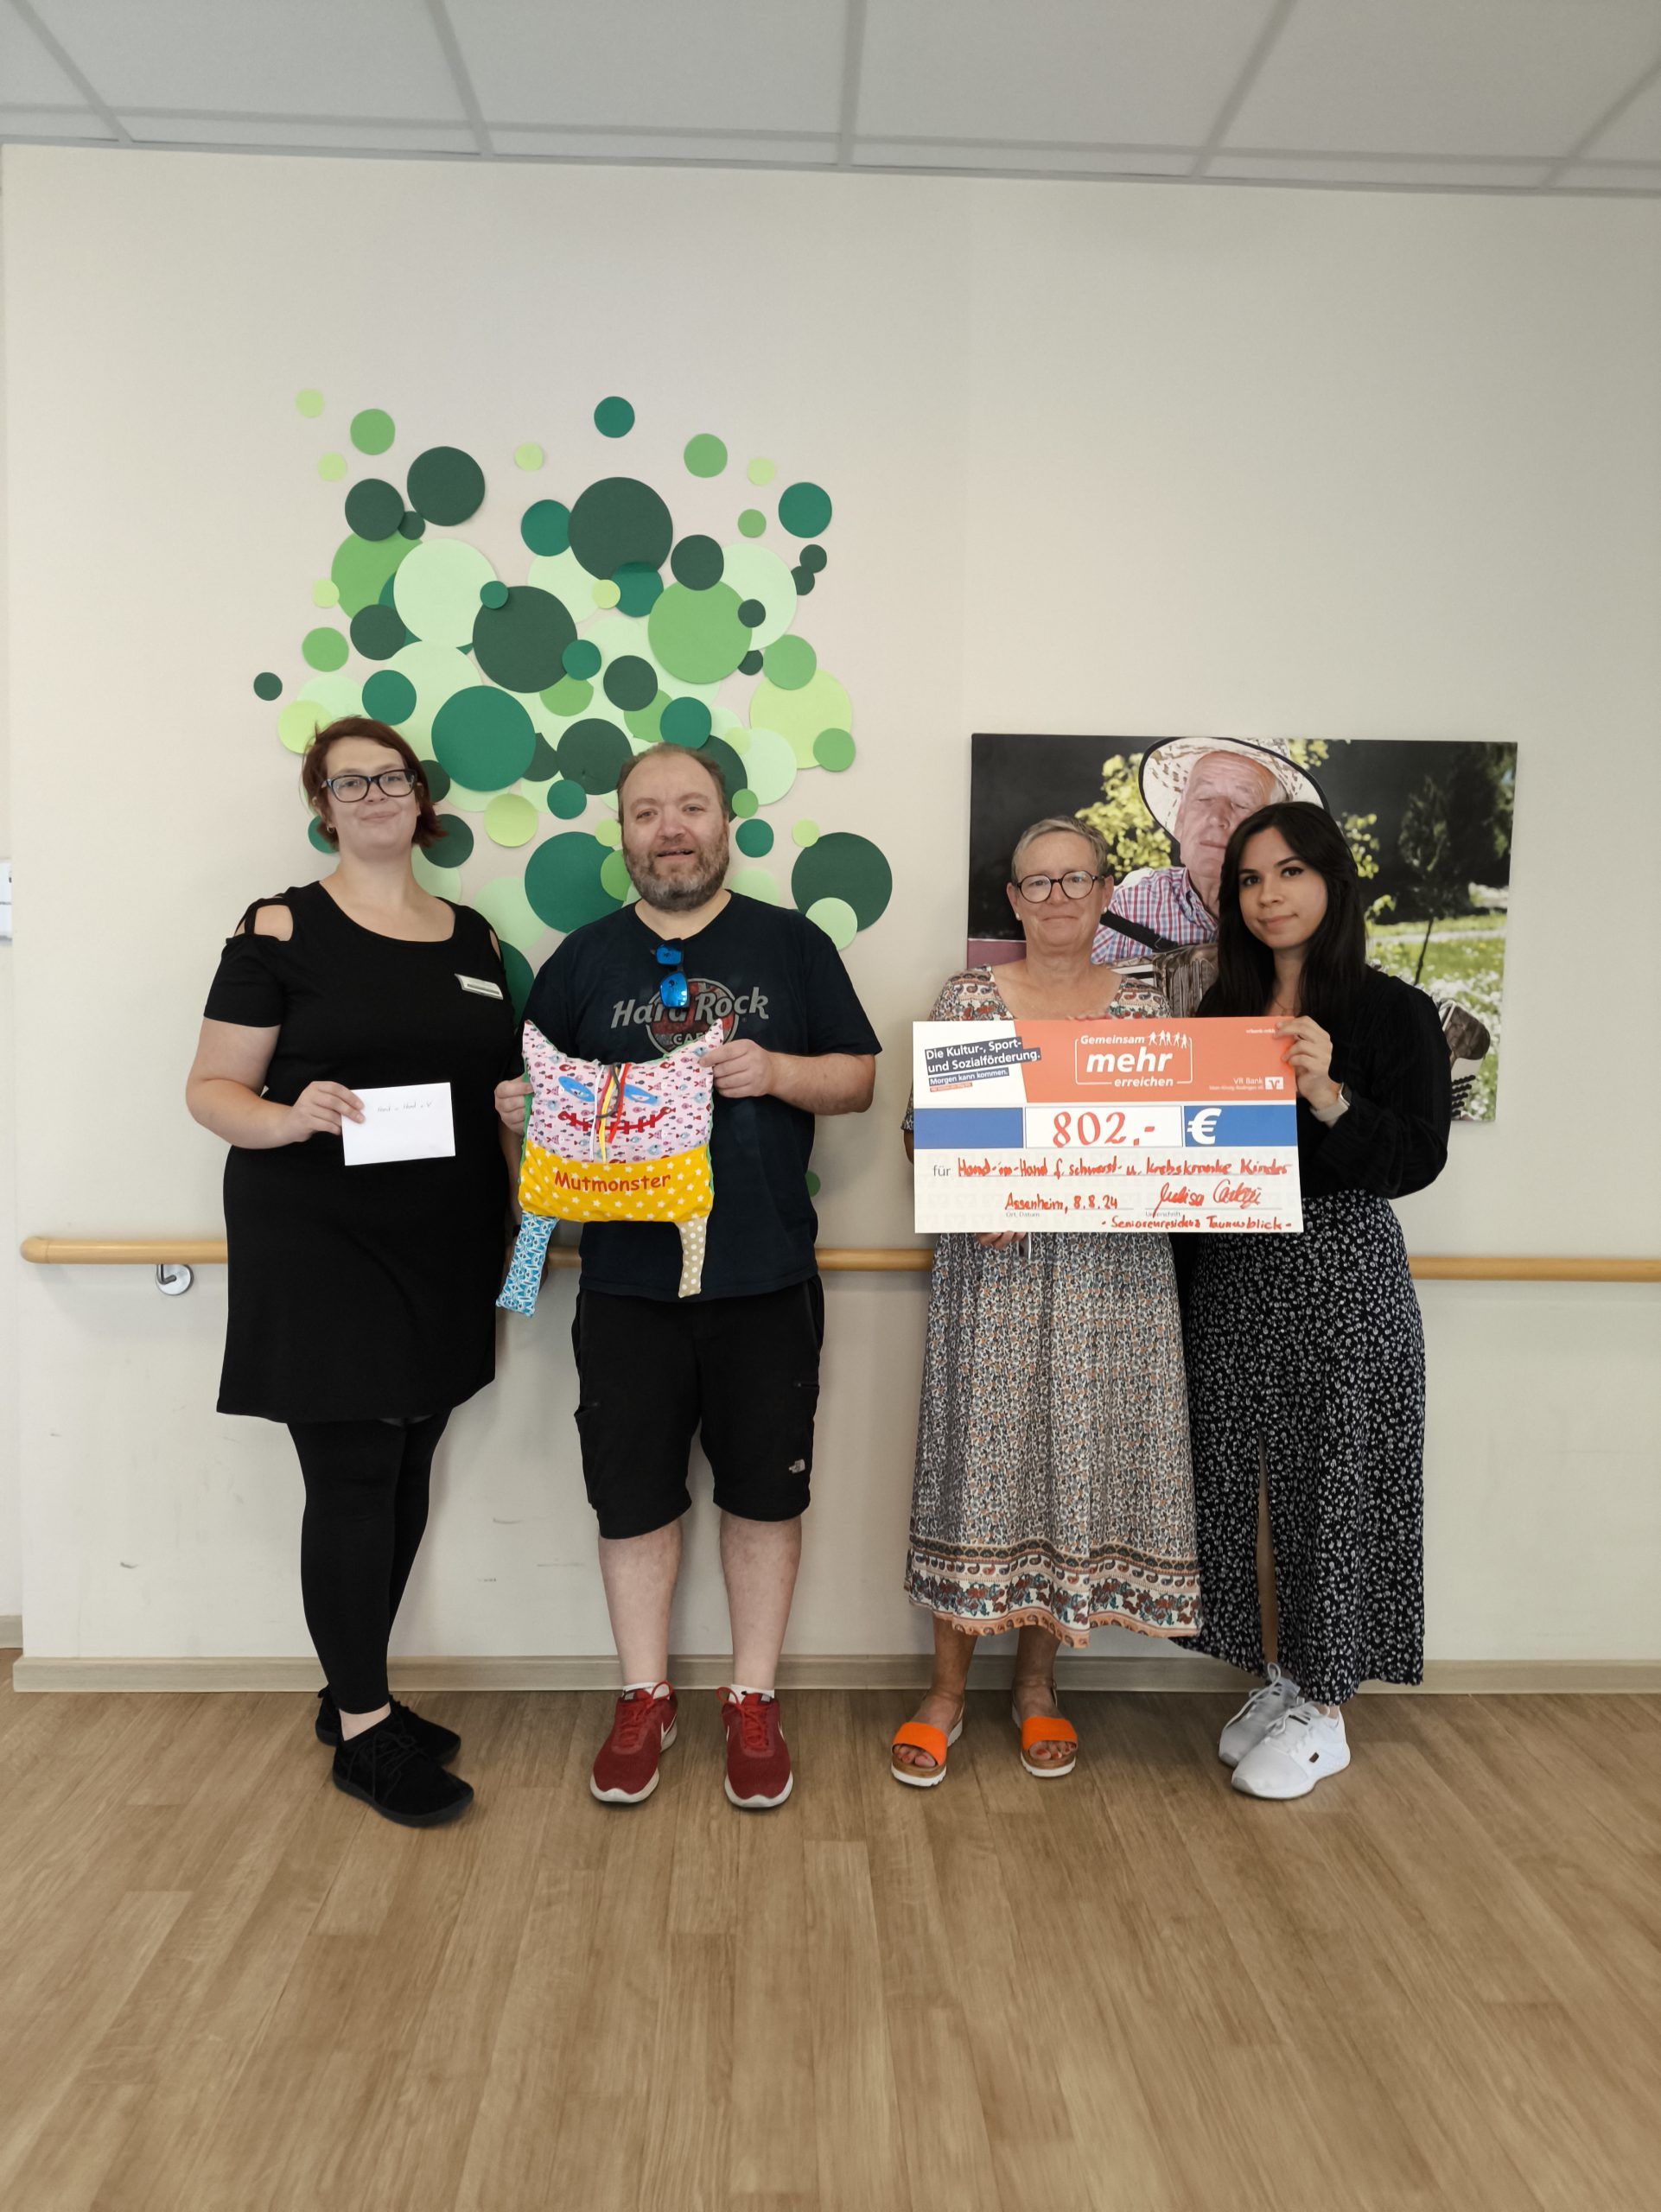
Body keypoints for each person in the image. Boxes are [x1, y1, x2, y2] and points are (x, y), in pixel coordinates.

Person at [499, 742, 879, 1812]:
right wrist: (520, 1117)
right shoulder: (580, 960)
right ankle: (644, 1694)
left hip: (765, 1276)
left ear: (725, 824)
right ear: (622, 833)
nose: (669, 829)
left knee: (765, 1494)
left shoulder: (791, 944)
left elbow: (857, 1076)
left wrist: (778, 1070)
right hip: (624, 1283)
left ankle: (751, 1698)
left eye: (690, 808)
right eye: (645, 812)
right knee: (630, 1499)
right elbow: (534, 1131)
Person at [186, 716, 519, 1828]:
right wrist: (290, 1115)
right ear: (323, 808)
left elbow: (492, 1093)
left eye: (391, 777)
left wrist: (520, 1169)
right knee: (354, 1477)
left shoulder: (474, 937)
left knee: (412, 1455)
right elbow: (211, 1089)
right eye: (348, 782)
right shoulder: (280, 927)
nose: (374, 794)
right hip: (322, 1241)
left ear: (421, 797)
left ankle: (353, 1696)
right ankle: (367, 1734)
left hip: (445, 1240)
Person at [892, 818, 1200, 1789]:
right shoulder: (971, 999)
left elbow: (1181, 1138)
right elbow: (927, 1134)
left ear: (1105, 891)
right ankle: (943, 1694)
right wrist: (971, 1191)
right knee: (976, 1471)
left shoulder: (1149, 1005)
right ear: (1013, 901)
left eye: (1075, 879)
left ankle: (1036, 1687)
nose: (1057, 897)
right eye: (1038, 882)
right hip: (996, 1276)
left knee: (1074, 1468)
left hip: (1115, 1280)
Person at [1185, 801, 1451, 1800]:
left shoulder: (1391, 1011)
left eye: (1288, 872)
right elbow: (1176, 1159)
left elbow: (1416, 1156)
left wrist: (1329, 1095)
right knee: (1236, 1486)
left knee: (1333, 1485)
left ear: (1332, 880)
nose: (1268, 896)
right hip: (1229, 1274)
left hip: (1340, 1274)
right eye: (1250, 880)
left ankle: (1326, 1706)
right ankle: (1282, 1676)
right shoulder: (1216, 1015)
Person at [1092, 737, 1321, 965]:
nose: (1216, 817)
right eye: (1204, 798)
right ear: (1181, 818)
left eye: (1242, 804)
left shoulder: (1305, 918)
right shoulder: (1124, 907)